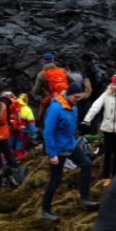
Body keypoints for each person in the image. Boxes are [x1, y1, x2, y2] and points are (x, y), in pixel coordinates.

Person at [41, 83, 97, 221]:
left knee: (87, 164)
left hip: (71, 144)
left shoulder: (74, 106)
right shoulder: (56, 109)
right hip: (58, 150)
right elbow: (47, 132)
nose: (78, 99)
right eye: (76, 97)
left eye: (80, 97)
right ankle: (45, 210)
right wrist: (52, 154)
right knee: (55, 180)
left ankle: (85, 198)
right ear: (69, 95)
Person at [84, 75, 116, 181]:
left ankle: (115, 176)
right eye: (113, 84)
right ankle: (106, 177)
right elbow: (95, 107)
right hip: (107, 129)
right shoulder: (106, 95)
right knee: (107, 152)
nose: (114, 87)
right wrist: (86, 121)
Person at [31, 53, 75, 124]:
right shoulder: (62, 70)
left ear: (43, 61)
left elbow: (36, 91)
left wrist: (44, 92)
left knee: (49, 123)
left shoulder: (42, 74)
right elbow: (73, 81)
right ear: (53, 61)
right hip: (64, 100)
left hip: (50, 101)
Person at [14, 94, 37, 159]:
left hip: (10, 133)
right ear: (26, 100)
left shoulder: (12, 106)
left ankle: (5, 166)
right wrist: (33, 138)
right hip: (21, 133)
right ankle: (19, 166)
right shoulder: (27, 109)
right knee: (20, 151)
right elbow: (32, 126)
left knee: (9, 150)